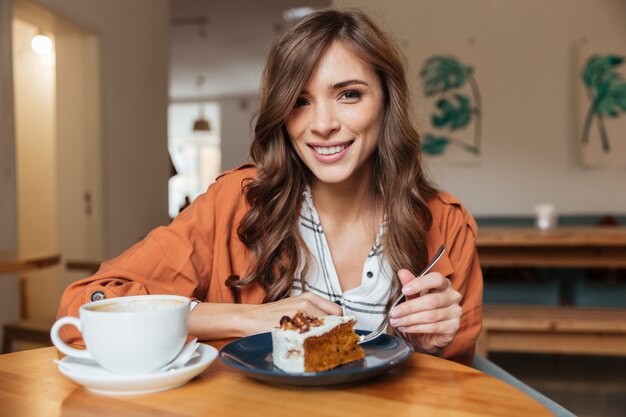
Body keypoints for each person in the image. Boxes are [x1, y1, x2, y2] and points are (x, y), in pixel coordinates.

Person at [57, 8, 483, 365]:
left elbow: (462, 379)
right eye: (299, 101)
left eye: (349, 94)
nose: (322, 125)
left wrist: (434, 348)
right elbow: (84, 308)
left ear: (387, 101)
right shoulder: (236, 202)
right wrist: (248, 319)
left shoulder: (446, 225)